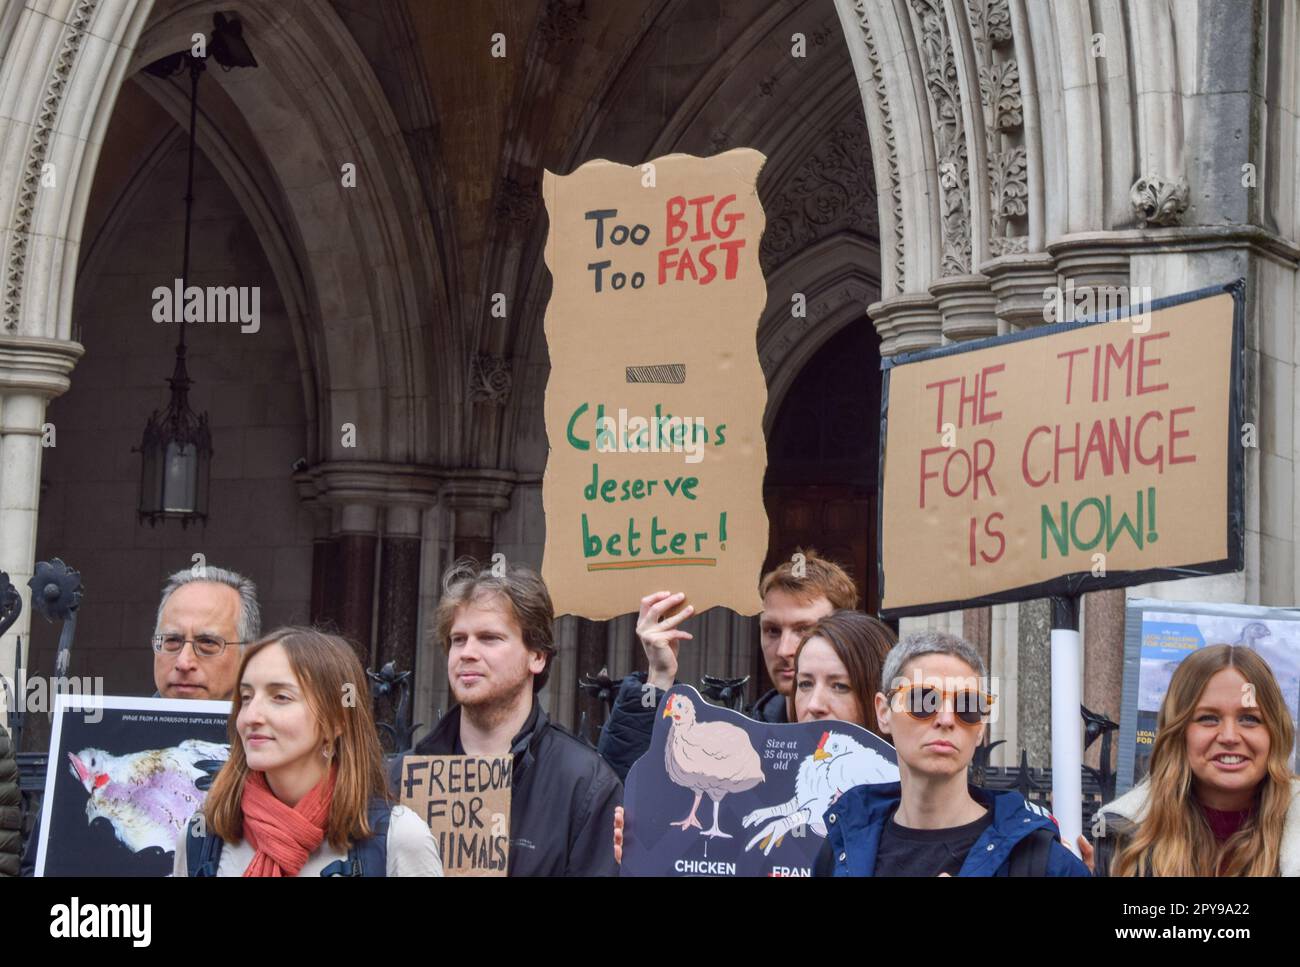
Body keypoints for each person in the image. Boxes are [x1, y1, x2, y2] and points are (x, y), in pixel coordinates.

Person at [22, 564, 259, 876]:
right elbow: (38, 867)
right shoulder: (99, 739)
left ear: (249, 653)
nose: (185, 661)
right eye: (172, 641)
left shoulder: (271, 749)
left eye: (208, 644)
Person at [393, 559, 622, 876]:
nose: (466, 652)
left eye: (489, 638)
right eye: (458, 639)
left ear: (537, 657)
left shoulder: (585, 785)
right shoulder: (399, 777)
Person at [614, 609, 896, 862]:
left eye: (839, 686)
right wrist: (644, 856)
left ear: (880, 700)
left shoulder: (911, 802)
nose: (813, 704)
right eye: (806, 684)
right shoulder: (764, 785)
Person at [818, 630, 1089, 877]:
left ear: (981, 725)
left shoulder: (1040, 859)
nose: (946, 719)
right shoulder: (841, 845)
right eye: (924, 700)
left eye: (968, 705)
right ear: (883, 711)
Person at [176, 627, 441, 876]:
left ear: (336, 720)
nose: (251, 716)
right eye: (246, 697)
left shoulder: (399, 837)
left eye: (280, 697)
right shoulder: (202, 837)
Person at [598, 549, 859, 782]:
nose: (784, 650)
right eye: (772, 631)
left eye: (804, 629)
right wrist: (658, 676)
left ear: (845, 632)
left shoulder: (885, 736)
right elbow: (630, 794)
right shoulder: (739, 739)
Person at [1086, 644, 1300, 876]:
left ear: (1275, 732)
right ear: (1179, 732)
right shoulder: (1121, 834)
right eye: (1208, 718)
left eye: (1249, 719)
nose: (1229, 736)